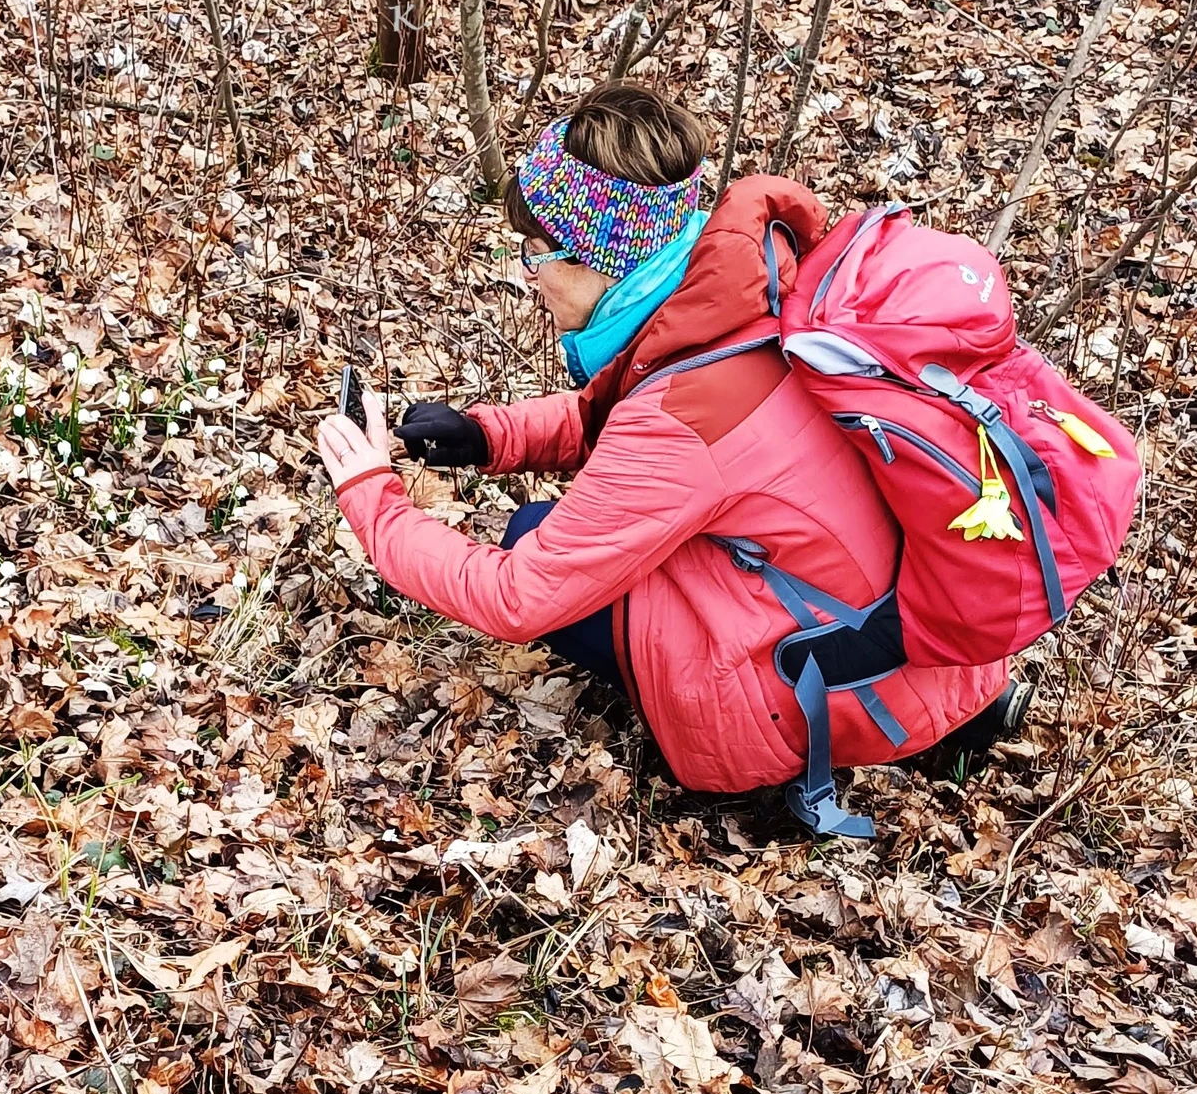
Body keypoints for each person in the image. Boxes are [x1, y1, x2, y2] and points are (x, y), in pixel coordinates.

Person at [316, 82, 1021, 835]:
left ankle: (837, 740)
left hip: (831, 686)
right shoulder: (755, 294)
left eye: (536, 253)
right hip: (930, 646)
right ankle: (951, 721)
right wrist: (488, 435)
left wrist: (371, 497)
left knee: (531, 537)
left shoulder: (684, 412)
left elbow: (518, 595)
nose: (525, 274)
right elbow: (647, 430)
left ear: (598, 258)